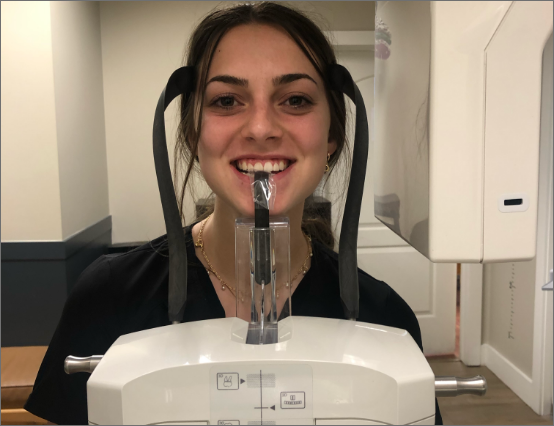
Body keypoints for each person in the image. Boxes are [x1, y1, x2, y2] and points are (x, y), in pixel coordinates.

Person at [25, 2, 443, 424]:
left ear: (332, 134)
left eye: (295, 99)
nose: (261, 128)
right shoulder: (108, 298)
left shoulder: (386, 318)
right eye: (227, 100)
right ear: (193, 132)